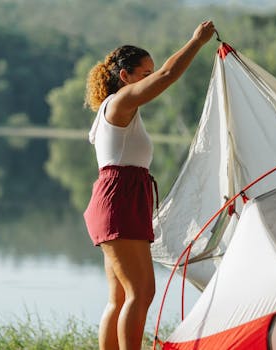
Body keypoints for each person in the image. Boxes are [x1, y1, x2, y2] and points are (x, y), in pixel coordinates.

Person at [82, 21, 216, 350]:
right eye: (144, 73)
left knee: (121, 296)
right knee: (141, 292)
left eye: (150, 73)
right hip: (119, 200)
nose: (150, 79)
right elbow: (168, 76)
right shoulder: (119, 103)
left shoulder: (116, 109)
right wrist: (196, 42)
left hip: (122, 198)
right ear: (124, 76)